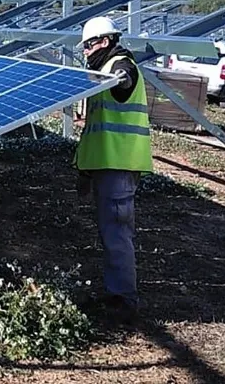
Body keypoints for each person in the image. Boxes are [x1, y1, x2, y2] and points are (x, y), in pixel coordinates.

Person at [74, 16, 152, 320]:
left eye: (88, 45)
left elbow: (125, 80)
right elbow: (96, 128)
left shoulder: (119, 65)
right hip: (106, 164)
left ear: (104, 41)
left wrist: (122, 77)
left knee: (117, 233)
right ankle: (116, 293)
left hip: (119, 165)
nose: (85, 51)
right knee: (111, 232)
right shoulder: (100, 71)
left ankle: (123, 300)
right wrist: (84, 169)